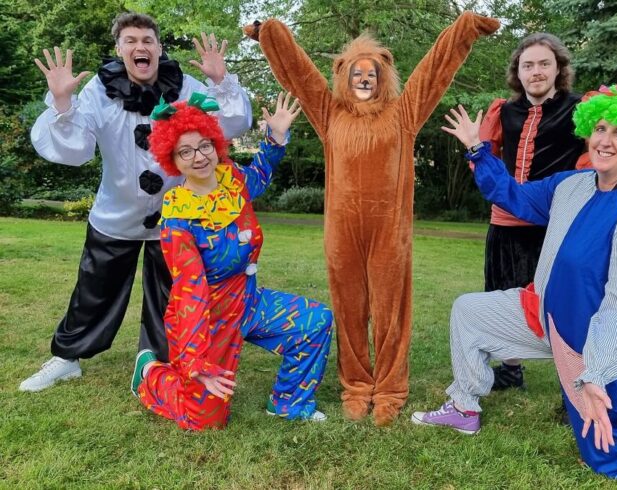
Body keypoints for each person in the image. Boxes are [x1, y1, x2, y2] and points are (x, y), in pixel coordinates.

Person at [411, 78, 617, 479]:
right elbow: (513, 196)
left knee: (612, 459)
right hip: (543, 316)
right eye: (601, 129)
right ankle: (464, 407)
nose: (605, 141)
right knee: (469, 310)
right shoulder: (572, 185)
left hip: (590, 347)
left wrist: (596, 376)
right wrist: (477, 148)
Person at [245, 12, 500, 426]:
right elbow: (300, 74)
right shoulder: (329, 115)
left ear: (384, 77)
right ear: (344, 77)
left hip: (388, 234)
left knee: (390, 311)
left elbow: (434, 70)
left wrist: (465, 27)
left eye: (372, 73)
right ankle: (356, 386)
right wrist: (269, 33)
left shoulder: (403, 114)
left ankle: (390, 389)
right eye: (357, 73)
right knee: (348, 310)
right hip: (342, 234)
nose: (364, 79)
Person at [21, 12, 252, 392]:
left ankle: (160, 362)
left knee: (173, 297)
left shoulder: (184, 87)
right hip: (115, 216)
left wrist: (220, 81)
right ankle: (67, 358)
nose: (139, 47)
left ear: (159, 48)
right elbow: (75, 149)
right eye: (130, 41)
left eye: (147, 40)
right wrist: (63, 103)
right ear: (119, 49)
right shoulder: (99, 89)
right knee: (93, 292)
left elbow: (231, 124)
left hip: (176, 219)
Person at [131, 92, 334, 430]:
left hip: (250, 302)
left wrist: (276, 136)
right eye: (185, 151)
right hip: (210, 318)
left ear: (215, 145)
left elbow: (261, 172)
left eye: (204, 146)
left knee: (315, 322)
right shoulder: (178, 218)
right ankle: (150, 373)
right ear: (173, 160)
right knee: (204, 419)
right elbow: (190, 290)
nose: (198, 157)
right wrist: (197, 362)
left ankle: (289, 402)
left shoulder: (233, 182)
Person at [478, 33, 589, 393]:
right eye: (528, 65)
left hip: (554, 223)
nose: (536, 71)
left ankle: (572, 384)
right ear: (518, 72)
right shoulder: (504, 111)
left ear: (559, 69)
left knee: (559, 304)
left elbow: (595, 158)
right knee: (503, 296)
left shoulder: (580, 110)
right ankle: (510, 371)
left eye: (544, 64)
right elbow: (485, 155)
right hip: (505, 223)